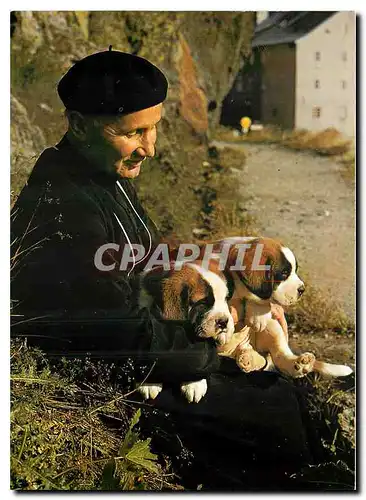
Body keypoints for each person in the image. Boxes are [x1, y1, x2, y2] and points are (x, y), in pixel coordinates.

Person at [11, 49, 315, 489]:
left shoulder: (104, 176)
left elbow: (153, 259)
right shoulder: (67, 204)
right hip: (107, 380)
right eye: (135, 132)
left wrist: (239, 295)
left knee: (283, 392)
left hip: (153, 346)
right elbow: (117, 330)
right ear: (79, 125)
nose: (150, 147)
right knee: (274, 409)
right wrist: (211, 348)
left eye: (154, 128)